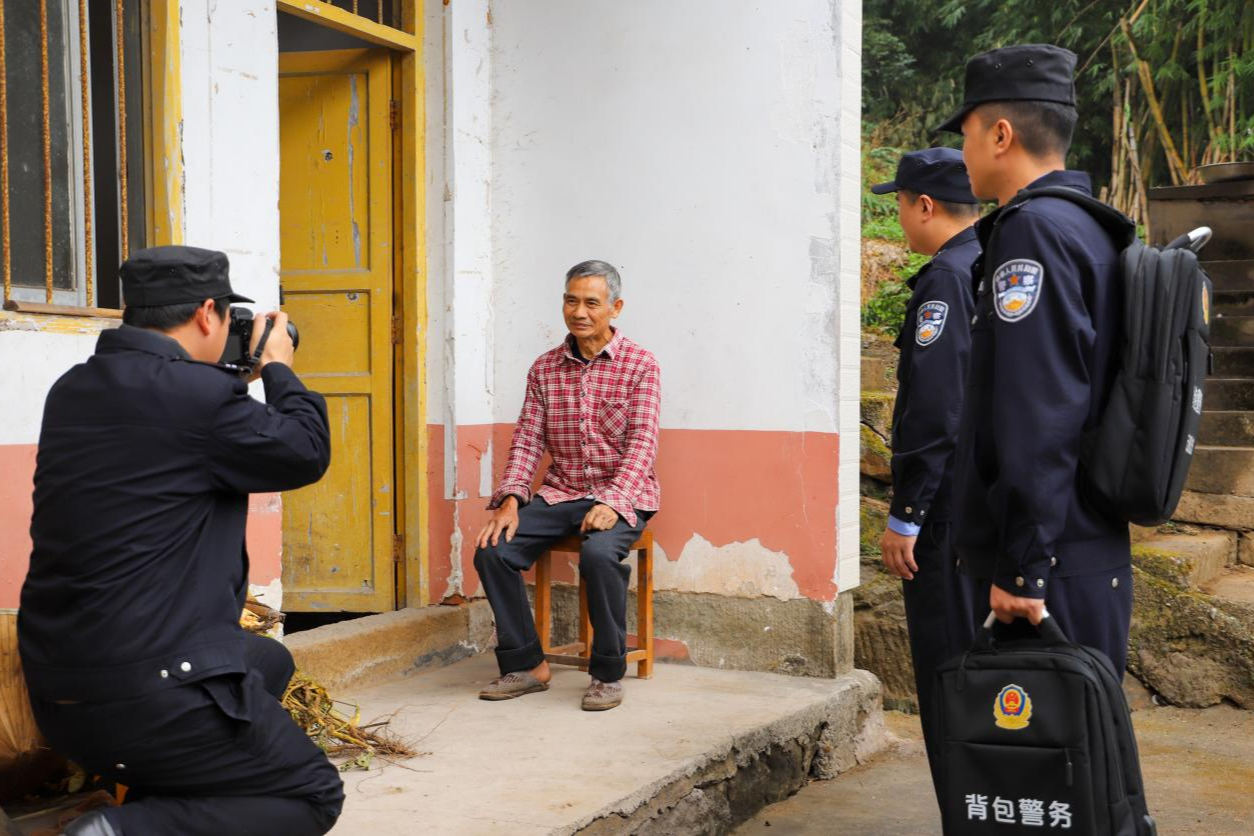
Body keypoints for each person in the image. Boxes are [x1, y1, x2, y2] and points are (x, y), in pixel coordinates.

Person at [18, 246, 343, 836]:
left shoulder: (72, 390)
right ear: (206, 313)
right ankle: (121, 832)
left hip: (60, 685)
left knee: (267, 660)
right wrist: (277, 367)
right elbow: (305, 450)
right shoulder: (202, 401)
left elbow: (167, 422)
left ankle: (153, 808)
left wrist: (221, 383)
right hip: (152, 694)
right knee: (312, 794)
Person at [940, 44, 1135, 676]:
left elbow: (1039, 411)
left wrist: (1022, 566)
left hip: (1044, 568)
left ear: (1001, 134)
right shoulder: (1091, 226)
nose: (962, 151)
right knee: (1083, 756)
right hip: (1083, 545)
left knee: (1036, 762)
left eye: (966, 133)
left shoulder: (1032, 232)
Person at [473, 259, 660, 712]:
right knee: (492, 551)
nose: (580, 311)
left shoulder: (641, 365)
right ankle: (527, 665)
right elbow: (527, 441)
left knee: (598, 554)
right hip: (562, 492)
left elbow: (642, 444)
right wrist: (512, 500)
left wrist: (614, 501)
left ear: (615, 307)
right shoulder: (545, 369)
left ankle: (607, 674)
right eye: (571, 300)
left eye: (591, 303)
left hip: (625, 493)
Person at [869, 147, 982, 800]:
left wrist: (905, 515)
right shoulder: (993, 263)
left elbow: (935, 411)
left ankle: (965, 810)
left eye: (901, 205)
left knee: (948, 674)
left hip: (942, 516)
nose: (902, 220)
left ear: (925, 206)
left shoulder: (945, 279)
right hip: (981, 508)